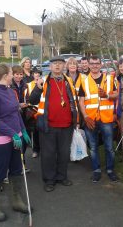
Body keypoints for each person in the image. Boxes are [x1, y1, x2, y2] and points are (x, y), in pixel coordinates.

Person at [0, 63, 31, 222]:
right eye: (12, 73)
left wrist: (23, 130)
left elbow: (16, 113)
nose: (14, 75)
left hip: (16, 137)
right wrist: (12, 134)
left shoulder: (11, 92)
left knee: (17, 170)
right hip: (1, 140)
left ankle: (17, 201)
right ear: (5, 76)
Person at [29, 56, 78, 192]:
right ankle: (49, 180)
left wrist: (76, 121)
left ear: (64, 66)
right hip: (48, 125)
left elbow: (74, 101)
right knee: (48, 154)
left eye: (60, 64)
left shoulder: (69, 81)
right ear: (49, 67)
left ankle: (62, 177)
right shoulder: (43, 81)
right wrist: (38, 89)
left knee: (63, 153)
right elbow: (32, 100)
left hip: (67, 125)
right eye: (54, 64)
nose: (57, 66)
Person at [78, 56, 119, 183]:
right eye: (92, 64)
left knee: (109, 146)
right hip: (91, 119)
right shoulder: (83, 81)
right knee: (94, 147)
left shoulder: (109, 78)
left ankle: (110, 170)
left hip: (106, 118)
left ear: (101, 65)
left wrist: (106, 95)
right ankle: (96, 170)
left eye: (97, 63)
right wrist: (85, 116)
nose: (95, 66)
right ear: (88, 65)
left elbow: (117, 94)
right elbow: (81, 100)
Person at [11, 65, 31, 172]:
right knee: (16, 141)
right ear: (12, 75)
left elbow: (28, 99)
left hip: (24, 115)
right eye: (17, 74)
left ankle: (23, 164)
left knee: (24, 141)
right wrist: (18, 105)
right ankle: (15, 165)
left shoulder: (26, 85)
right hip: (14, 116)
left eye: (21, 74)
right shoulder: (10, 86)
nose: (19, 76)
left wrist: (26, 103)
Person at [25, 67, 42, 158]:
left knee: (43, 132)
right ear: (32, 74)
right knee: (35, 131)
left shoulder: (43, 83)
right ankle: (35, 150)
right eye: (35, 73)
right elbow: (28, 98)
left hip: (42, 110)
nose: (37, 75)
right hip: (33, 110)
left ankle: (43, 150)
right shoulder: (29, 85)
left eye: (38, 73)